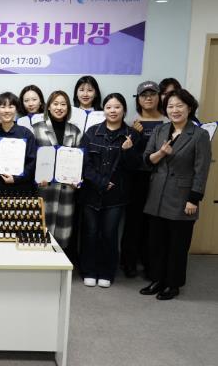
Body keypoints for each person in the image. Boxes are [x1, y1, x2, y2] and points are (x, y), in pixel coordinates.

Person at [140, 89, 211, 300]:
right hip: (157, 195)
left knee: (177, 245)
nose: (175, 110)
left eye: (180, 105)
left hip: (182, 198)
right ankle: (157, 279)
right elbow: (146, 160)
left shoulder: (199, 135)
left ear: (189, 108)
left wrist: (194, 199)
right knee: (156, 243)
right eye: (170, 106)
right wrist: (161, 152)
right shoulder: (160, 130)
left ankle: (173, 284)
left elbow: (201, 169)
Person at [78, 93, 141, 289]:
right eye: (109, 107)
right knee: (90, 234)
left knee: (109, 234)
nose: (113, 111)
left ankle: (106, 272)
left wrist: (129, 150)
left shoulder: (132, 134)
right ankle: (89, 270)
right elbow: (83, 163)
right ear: (103, 110)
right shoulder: (91, 132)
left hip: (117, 196)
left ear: (124, 110)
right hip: (91, 192)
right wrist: (101, 182)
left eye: (117, 107)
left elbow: (135, 167)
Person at [120, 81, 167, 278]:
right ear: (138, 99)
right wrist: (135, 134)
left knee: (154, 224)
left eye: (152, 94)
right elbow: (128, 155)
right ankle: (129, 263)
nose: (148, 98)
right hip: (136, 178)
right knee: (133, 222)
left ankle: (150, 265)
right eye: (144, 95)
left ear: (159, 97)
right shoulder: (131, 123)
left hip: (160, 178)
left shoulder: (167, 122)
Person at [33, 91, 82, 250]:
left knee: (62, 235)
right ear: (48, 106)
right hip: (43, 188)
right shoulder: (37, 129)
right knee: (39, 234)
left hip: (67, 189)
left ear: (68, 108)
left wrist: (77, 180)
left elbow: (80, 160)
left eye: (63, 104)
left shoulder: (74, 131)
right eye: (55, 104)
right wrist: (36, 178)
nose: (59, 107)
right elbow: (31, 159)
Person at [0, 92, 37, 194]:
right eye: (2, 107)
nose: (7, 111)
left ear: (16, 109)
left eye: (11, 107)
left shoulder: (26, 134)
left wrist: (16, 178)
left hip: (21, 188)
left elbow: (32, 162)